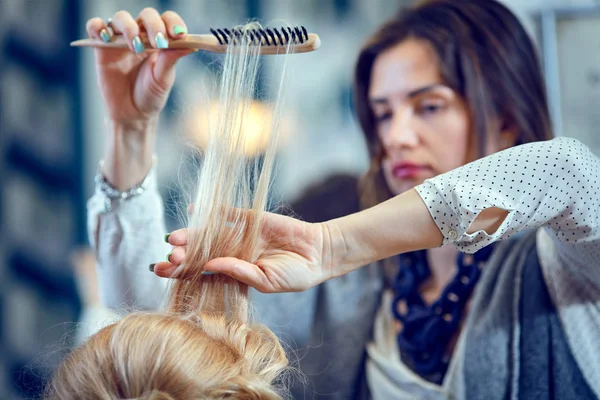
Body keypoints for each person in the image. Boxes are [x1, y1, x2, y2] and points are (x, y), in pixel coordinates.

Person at [88, 1, 600, 399]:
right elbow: (149, 314)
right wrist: (128, 130)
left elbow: (567, 170)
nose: (396, 136)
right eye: (382, 114)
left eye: (429, 106)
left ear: (507, 117)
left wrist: (335, 245)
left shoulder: (567, 268)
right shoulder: (357, 293)